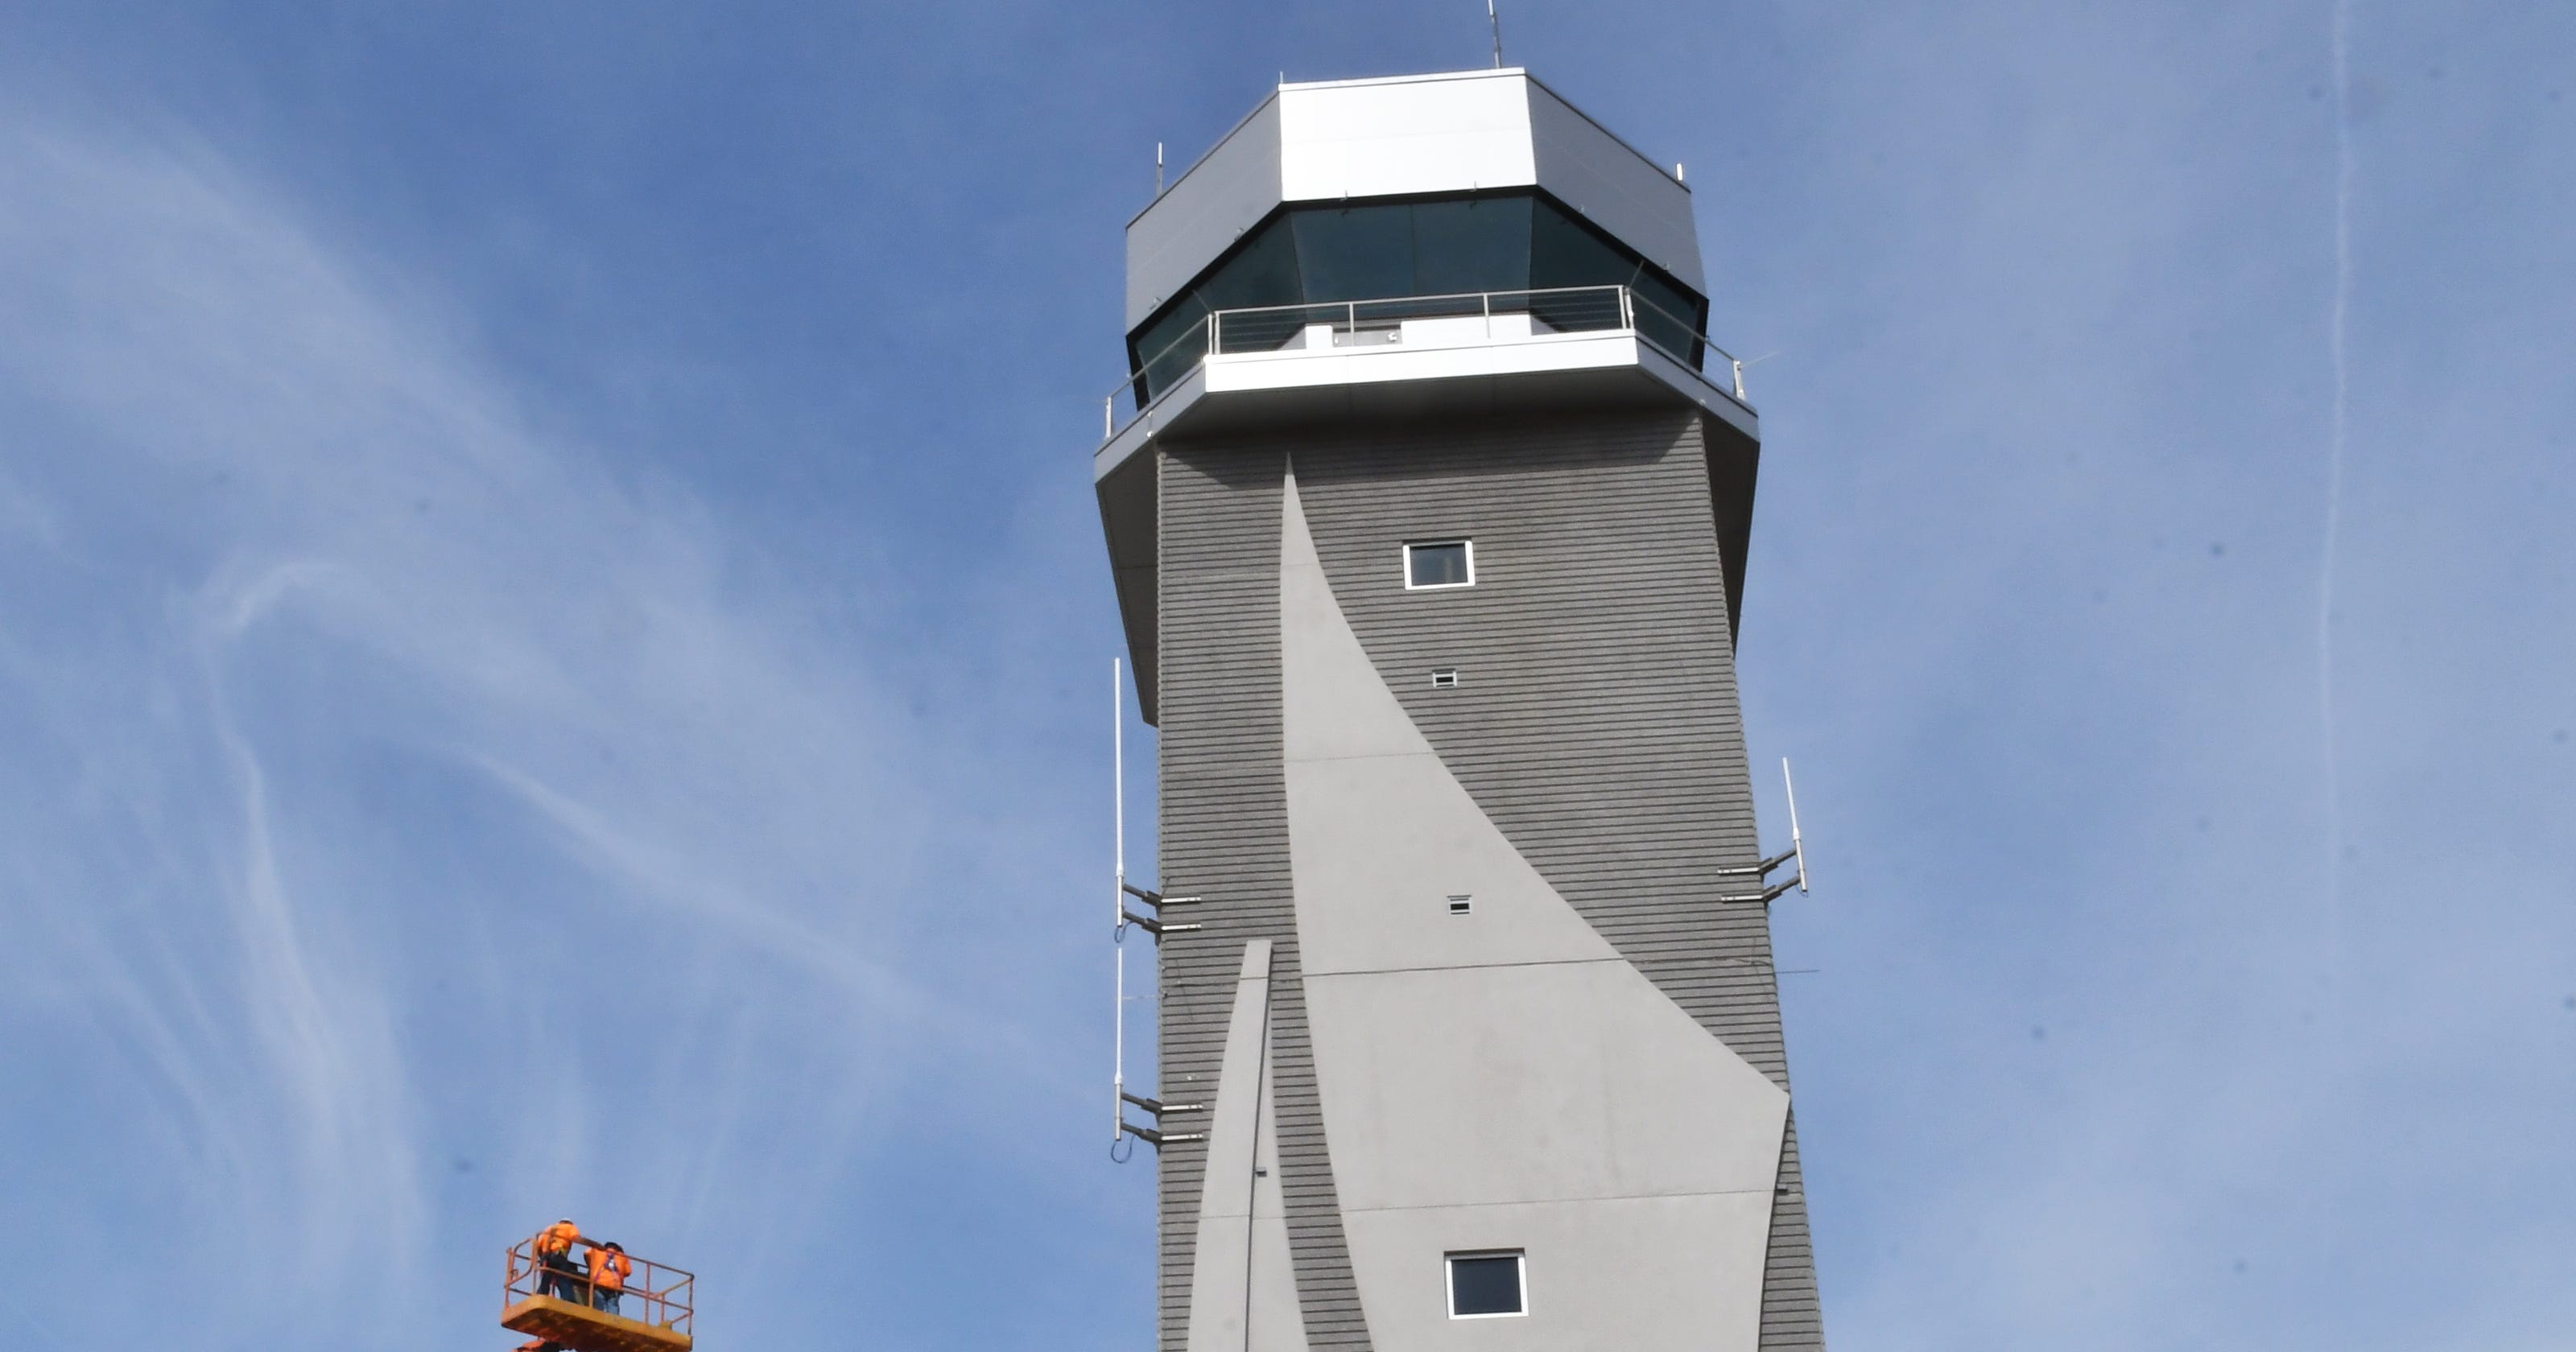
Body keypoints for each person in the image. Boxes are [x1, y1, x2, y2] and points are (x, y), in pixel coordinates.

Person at [534, 1218, 585, 1303]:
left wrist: (543, 1258)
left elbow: (538, 1247)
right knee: (564, 1278)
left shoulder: (550, 1228)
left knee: (546, 1277)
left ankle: (541, 1294)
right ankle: (569, 1299)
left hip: (545, 1257)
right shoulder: (570, 1227)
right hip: (559, 1256)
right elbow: (576, 1238)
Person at [587, 1240, 633, 1316]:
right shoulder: (622, 1257)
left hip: (600, 1284)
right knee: (613, 1307)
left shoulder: (598, 1251)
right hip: (615, 1286)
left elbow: (587, 1253)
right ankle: (614, 1322)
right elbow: (628, 1271)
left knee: (599, 1307)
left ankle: (599, 1319)